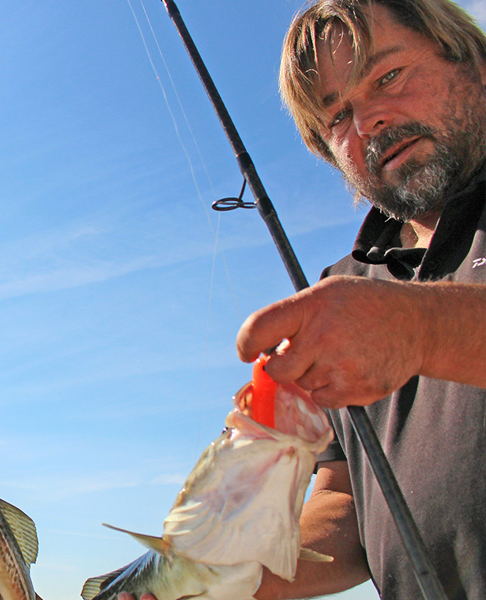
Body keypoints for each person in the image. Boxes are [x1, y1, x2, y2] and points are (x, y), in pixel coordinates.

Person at [124, 1, 486, 599]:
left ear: (472, 62)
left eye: (388, 76)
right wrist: (209, 578)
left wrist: (420, 329)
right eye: (337, 115)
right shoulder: (344, 286)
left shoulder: (360, 307)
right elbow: (348, 505)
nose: (368, 120)